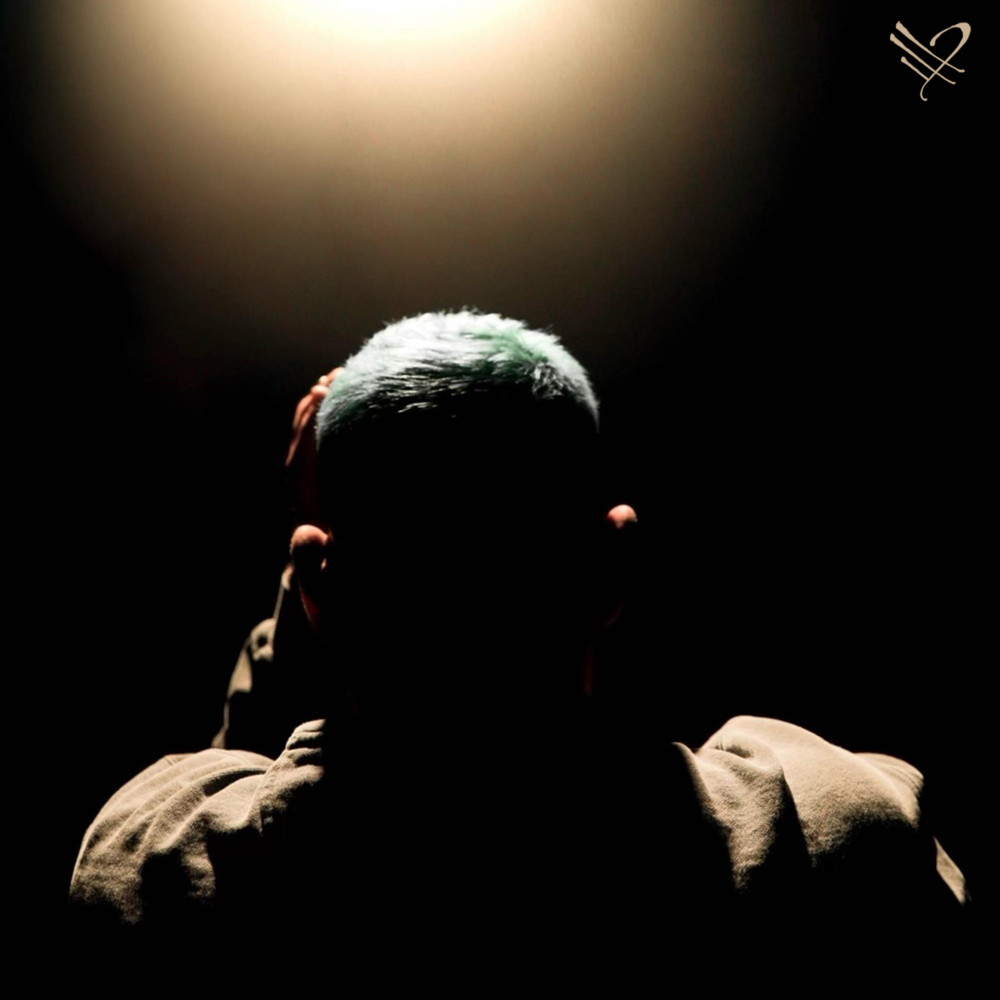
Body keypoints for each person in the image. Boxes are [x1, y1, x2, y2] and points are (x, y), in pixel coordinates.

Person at [68, 311, 968, 973]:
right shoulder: (834, 840)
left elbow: (250, 785)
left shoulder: (157, 869)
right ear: (611, 567)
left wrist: (321, 562)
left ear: (318, 590)